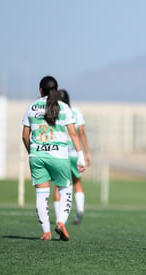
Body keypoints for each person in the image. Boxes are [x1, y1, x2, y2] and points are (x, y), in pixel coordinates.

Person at [21, 76, 86, 241]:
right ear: (56, 90)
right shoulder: (63, 108)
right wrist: (80, 156)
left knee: (42, 194)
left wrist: (32, 151)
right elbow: (73, 133)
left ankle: (46, 232)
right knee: (65, 189)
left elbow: (24, 136)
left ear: (40, 90)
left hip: (37, 154)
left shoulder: (32, 107)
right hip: (59, 156)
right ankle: (61, 222)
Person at [53, 89, 91, 225]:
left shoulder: (55, 111)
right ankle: (80, 208)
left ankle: (59, 218)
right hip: (75, 153)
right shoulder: (75, 111)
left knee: (59, 185)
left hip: (60, 153)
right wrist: (87, 152)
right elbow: (80, 132)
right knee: (76, 182)